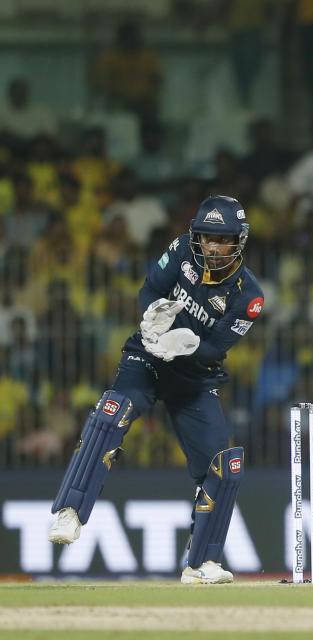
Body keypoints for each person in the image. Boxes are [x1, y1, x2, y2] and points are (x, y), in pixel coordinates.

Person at [47, 195, 265, 585]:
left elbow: (216, 347)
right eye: (206, 238)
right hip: (147, 357)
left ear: (239, 241)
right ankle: (70, 512)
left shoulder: (249, 296)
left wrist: (189, 345)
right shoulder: (182, 250)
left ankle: (202, 564)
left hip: (195, 376)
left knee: (224, 465)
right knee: (111, 412)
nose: (212, 247)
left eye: (223, 240)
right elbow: (149, 290)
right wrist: (152, 317)